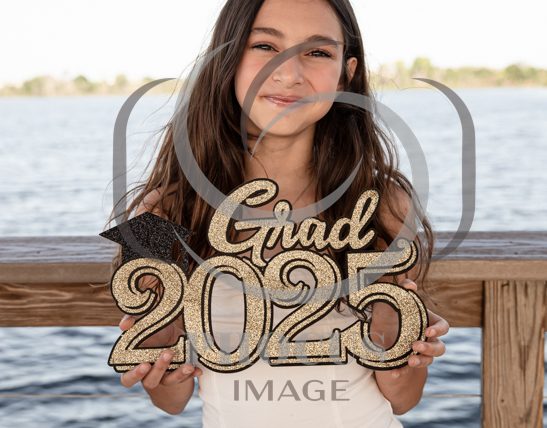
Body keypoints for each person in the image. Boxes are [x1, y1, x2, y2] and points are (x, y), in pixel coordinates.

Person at [108, 0, 449, 426]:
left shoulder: (383, 203)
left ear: (347, 73)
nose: (289, 73)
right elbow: (171, 401)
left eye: (318, 52)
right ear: (228, 59)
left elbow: (402, 400)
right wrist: (158, 368)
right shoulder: (162, 212)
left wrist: (407, 347)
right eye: (265, 46)